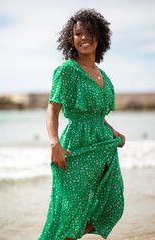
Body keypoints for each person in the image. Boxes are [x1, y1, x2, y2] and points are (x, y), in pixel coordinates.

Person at [38, 8, 125, 240]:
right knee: (70, 214)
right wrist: (54, 143)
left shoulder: (102, 75)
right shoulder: (68, 71)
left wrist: (111, 129)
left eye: (89, 32)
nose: (84, 37)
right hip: (76, 147)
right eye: (78, 33)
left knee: (113, 204)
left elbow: (96, 114)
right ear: (71, 38)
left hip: (102, 146)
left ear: (100, 37)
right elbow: (52, 110)